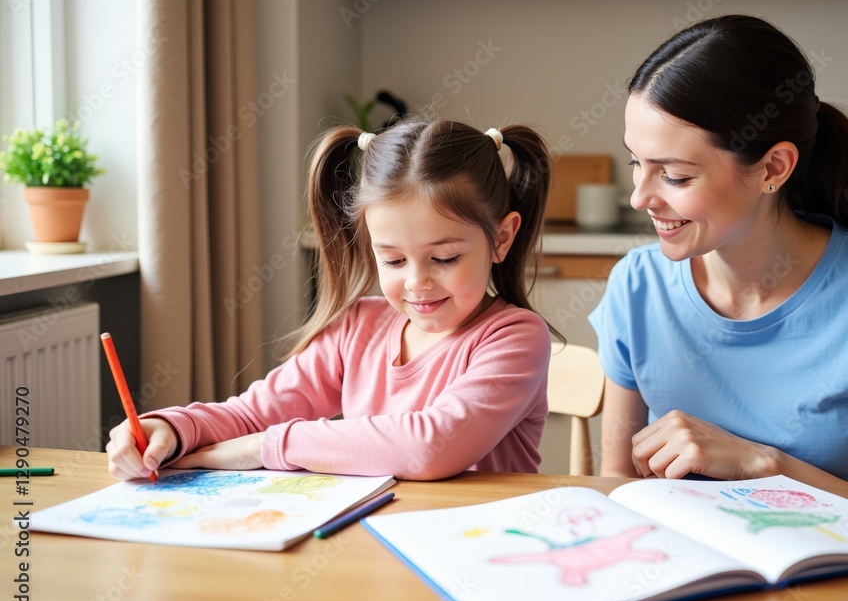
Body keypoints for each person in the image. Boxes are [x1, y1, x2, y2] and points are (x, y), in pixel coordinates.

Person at [591, 15, 848, 494]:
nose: (639, 197)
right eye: (635, 162)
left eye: (675, 176)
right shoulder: (636, 286)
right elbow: (617, 482)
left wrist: (764, 465)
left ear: (773, 167)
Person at [108, 118, 555, 481]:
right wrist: (172, 428)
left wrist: (263, 447)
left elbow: (430, 446)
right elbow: (254, 412)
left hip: (477, 560)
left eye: (445, 257)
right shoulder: (358, 326)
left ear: (501, 238)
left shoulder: (514, 338)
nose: (417, 281)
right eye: (394, 260)